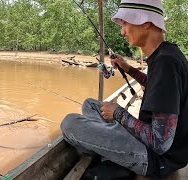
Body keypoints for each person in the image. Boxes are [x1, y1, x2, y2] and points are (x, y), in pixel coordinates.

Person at [61, 0, 188, 179]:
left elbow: (160, 143)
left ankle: (112, 156)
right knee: (90, 105)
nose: (122, 31)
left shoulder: (165, 62)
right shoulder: (166, 53)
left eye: (125, 23)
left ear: (146, 22)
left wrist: (119, 114)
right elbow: (155, 86)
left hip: (156, 159)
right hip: (154, 146)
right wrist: (127, 68)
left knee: (70, 123)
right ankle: (111, 143)